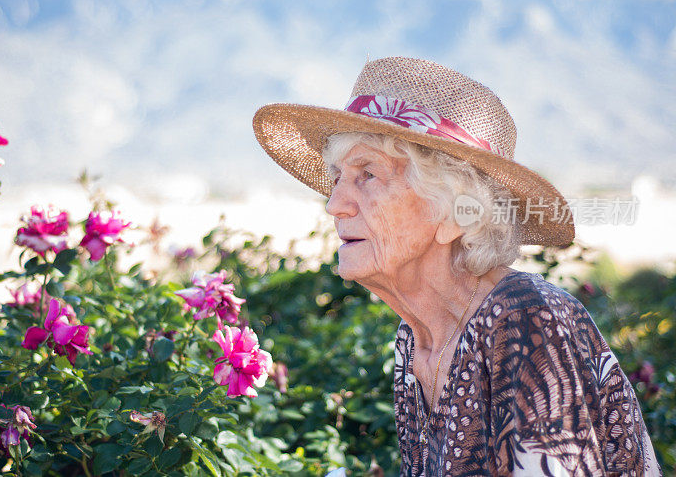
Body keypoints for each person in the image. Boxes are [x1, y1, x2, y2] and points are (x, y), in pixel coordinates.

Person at [252, 57, 660, 476]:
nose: (334, 204)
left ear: (451, 212)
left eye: (368, 175)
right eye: (337, 177)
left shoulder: (524, 318)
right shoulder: (416, 340)